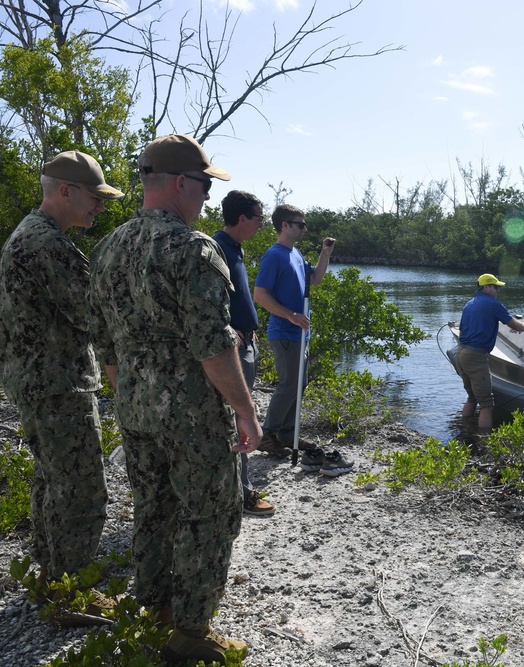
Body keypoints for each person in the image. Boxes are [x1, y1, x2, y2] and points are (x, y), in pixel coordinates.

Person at [88, 134, 262, 663]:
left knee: (153, 509)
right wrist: (245, 410)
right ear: (181, 184)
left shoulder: (108, 248)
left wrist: (131, 396)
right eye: (205, 187)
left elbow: (104, 342)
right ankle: (190, 632)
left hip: (135, 408)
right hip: (190, 413)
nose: (207, 198)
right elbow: (212, 345)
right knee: (209, 515)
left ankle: (152, 611)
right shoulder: (193, 249)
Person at [0, 151, 123, 622]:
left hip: (40, 384)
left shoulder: (29, 235)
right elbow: (94, 313)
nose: (100, 207)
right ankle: (70, 595)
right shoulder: (47, 245)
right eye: (95, 197)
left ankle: (52, 580)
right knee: (81, 490)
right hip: (58, 387)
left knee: (52, 482)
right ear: (66, 191)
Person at [252, 205, 348, 473]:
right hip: (284, 332)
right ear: (284, 225)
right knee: (289, 383)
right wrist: (291, 315)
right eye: (300, 224)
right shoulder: (274, 256)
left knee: (300, 383)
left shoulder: (295, 254)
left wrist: (324, 254)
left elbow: (315, 279)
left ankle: (286, 434)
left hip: (299, 332)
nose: (304, 228)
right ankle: (269, 434)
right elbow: (260, 295)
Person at [215, 190, 275, 517]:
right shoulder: (218, 248)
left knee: (238, 420)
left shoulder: (234, 248)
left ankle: (237, 491)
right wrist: (228, 330)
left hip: (246, 344)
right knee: (239, 421)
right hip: (232, 350)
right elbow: (206, 302)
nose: (262, 225)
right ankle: (242, 494)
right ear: (242, 219)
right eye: (258, 218)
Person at [455, 273, 524, 429]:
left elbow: (462, 332)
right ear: (486, 287)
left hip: (461, 352)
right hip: (476, 356)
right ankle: (484, 442)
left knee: (471, 397)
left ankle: (465, 431)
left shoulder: (469, 304)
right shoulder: (493, 304)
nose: (498, 290)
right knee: (487, 405)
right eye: (496, 287)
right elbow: (514, 325)